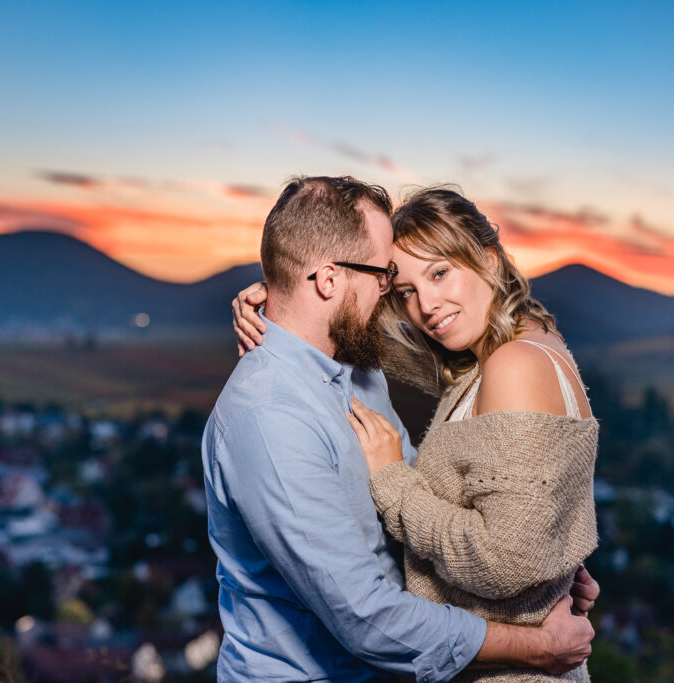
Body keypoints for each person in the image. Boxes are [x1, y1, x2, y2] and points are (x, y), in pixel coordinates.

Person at [206, 175, 596, 682]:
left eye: (433, 275)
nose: (408, 303)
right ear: (327, 281)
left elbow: (479, 518)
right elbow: (366, 619)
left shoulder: (361, 369)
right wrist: (536, 645)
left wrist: (552, 567)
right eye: (386, 277)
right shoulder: (269, 418)